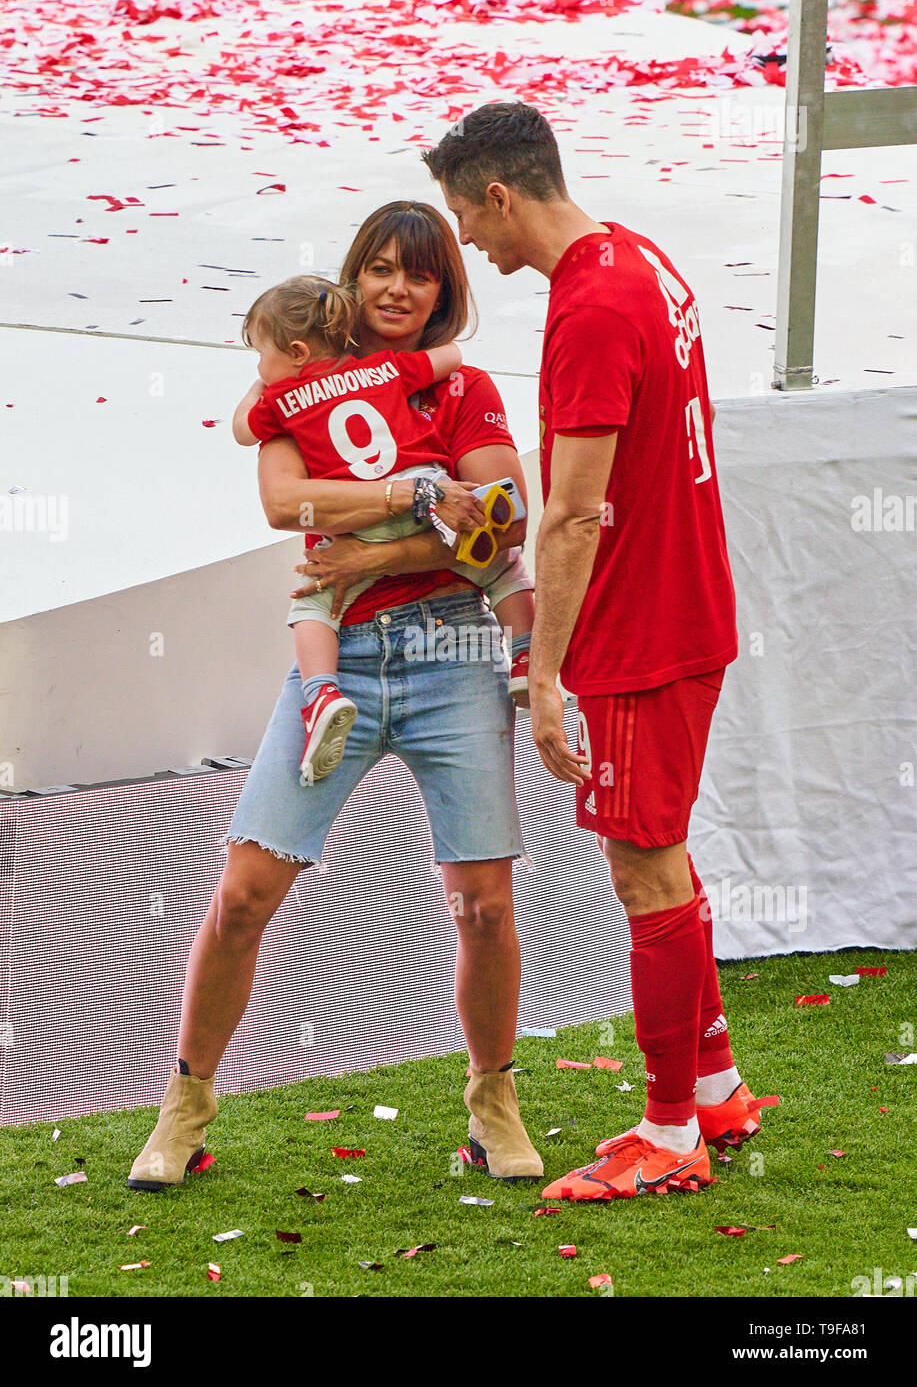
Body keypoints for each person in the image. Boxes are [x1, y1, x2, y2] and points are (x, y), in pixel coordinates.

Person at [127, 201, 543, 1192]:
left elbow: (507, 514)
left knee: (483, 906)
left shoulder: (461, 385)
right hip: (338, 656)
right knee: (241, 896)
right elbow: (283, 504)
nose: (397, 289)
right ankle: (185, 1104)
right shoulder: (302, 383)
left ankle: (492, 1101)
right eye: (380, 270)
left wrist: (376, 546)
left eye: (421, 274)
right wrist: (417, 496)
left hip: (450, 652)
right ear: (351, 280)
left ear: (446, 293)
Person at [424, 103, 776, 1202]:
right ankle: (710, 1086)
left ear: (497, 195)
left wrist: (541, 678)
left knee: (641, 867)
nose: (467, 249)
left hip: (638, 627)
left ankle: (667, 1131)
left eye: (463, 221)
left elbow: (571, 517)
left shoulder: (586, 307)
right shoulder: (643, 260)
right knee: (662, 850)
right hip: (690, 606)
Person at [231, 273, 535, 781]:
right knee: (502, 564)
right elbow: (452, 356)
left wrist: (267, 383)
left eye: (263, 353)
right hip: (428, 494)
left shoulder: (282, 401)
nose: (261, 367)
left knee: (313, 605)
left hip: (362, 519)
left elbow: (243, 430)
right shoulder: (385, 370)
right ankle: (523, 655)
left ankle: (321, 693)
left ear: (298, 351)